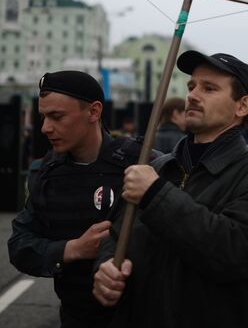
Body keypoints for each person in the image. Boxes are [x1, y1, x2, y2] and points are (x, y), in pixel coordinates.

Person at [93, 50, 248, 328]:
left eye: (209, 88)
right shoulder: (158, 168)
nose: (193, 95)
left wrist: (156, 195)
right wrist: (106, 267)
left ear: (242, 106)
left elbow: (235, 254)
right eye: (192, 86)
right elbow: (117, 233)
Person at [8, 71, 149, 328]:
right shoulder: (45, 174)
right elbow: (20, 245)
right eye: (43, 117)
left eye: (57, 117)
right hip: (77, 318)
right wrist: (72, 249)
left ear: (94, 112)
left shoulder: (143, 164)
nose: (45, 128)